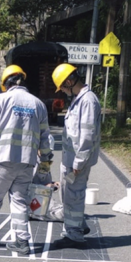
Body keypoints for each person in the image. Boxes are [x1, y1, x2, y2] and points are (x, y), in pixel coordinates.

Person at [0, 65, 54, 255]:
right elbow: (46, 137)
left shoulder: (1, 99)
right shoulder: (38, 104)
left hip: (2, 159)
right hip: (26, 161)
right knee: (19, 200)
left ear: (6, 83)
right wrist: (46, 160)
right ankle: (21, 241)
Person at [50, 63, 101, 249]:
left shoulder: (87, 101)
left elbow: (87, 135)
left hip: (77, 162)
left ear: (70, 81)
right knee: (68, 194)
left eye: (63, 87)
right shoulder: (79, 100)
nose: (62, 91)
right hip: (71, 160)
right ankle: (78, 225)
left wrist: (78, 163)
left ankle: (74, 236)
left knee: (74, 196)